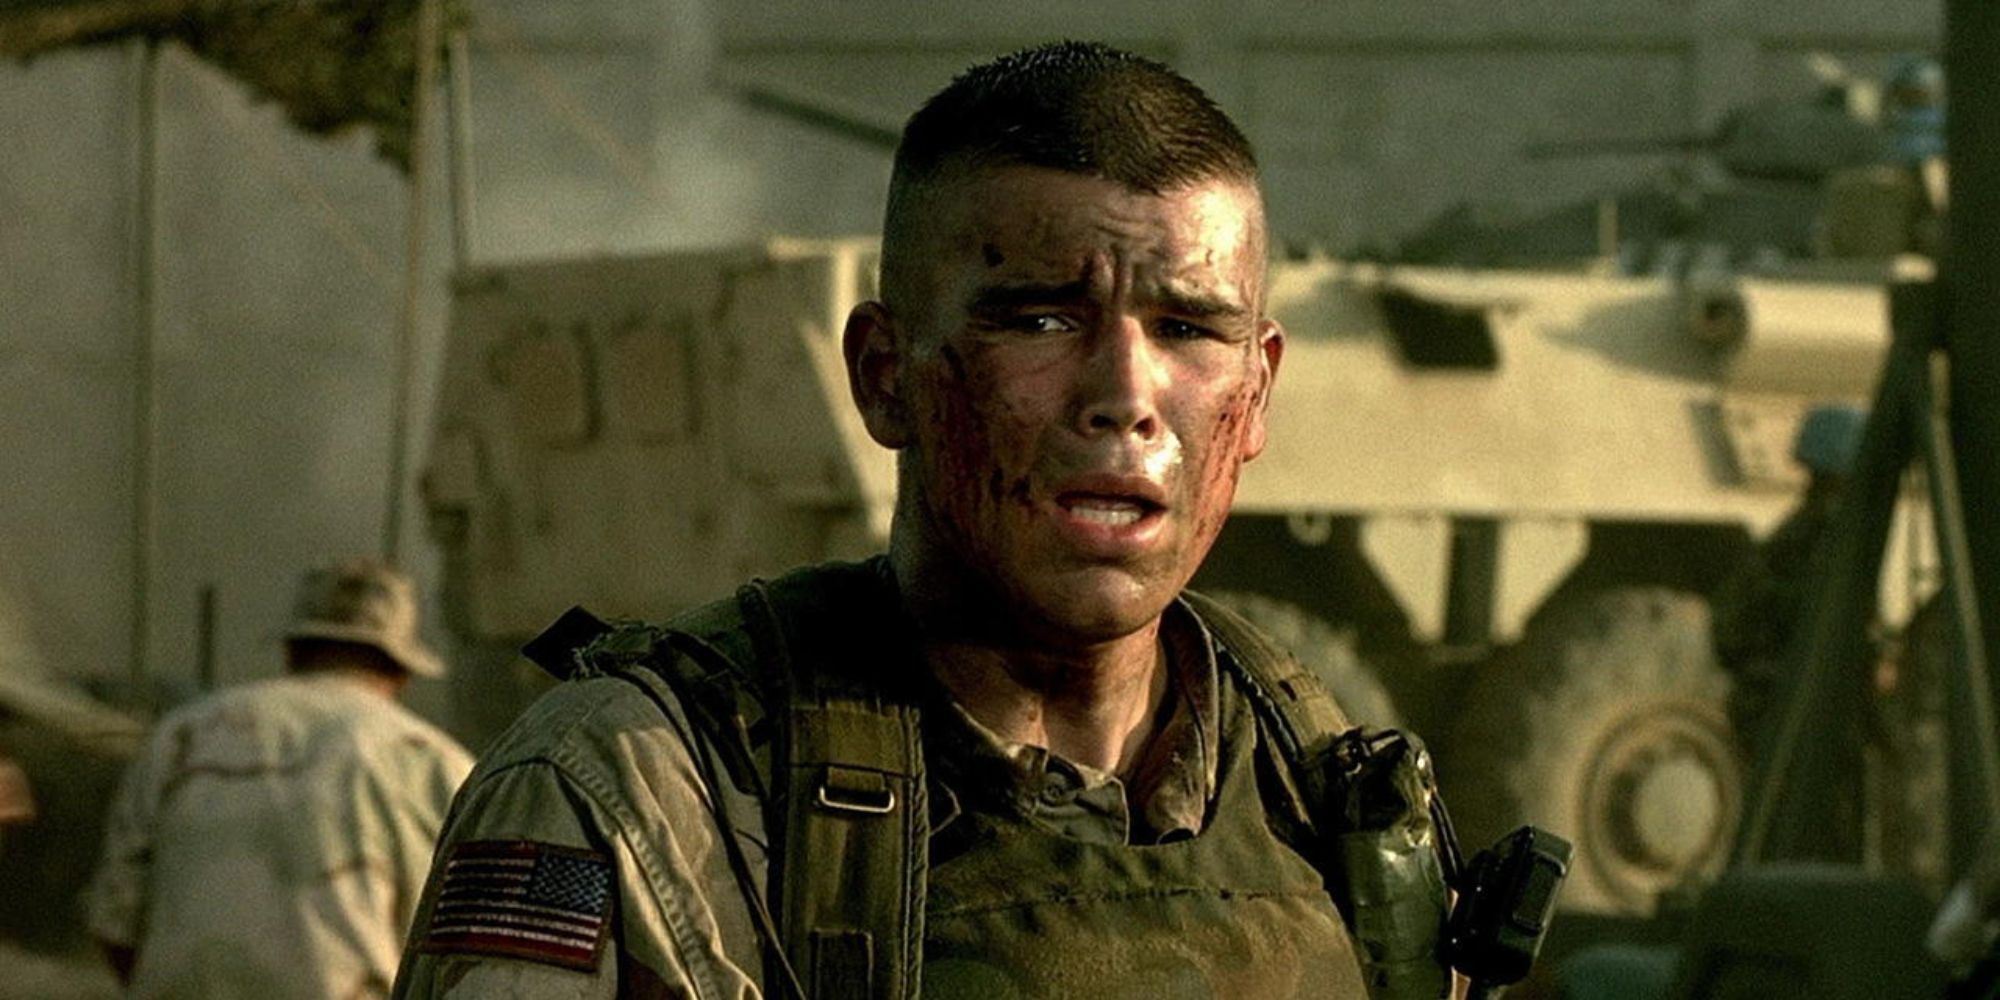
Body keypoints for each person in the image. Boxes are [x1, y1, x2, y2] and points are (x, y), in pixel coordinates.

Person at [394, 41, 1420, 999]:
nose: (1124, 395)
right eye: (1040, 319)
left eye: (1189, 327)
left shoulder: (1317, 778)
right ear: (886, 377)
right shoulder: (641, 792)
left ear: (1256, 394)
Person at [88, 559, 473, 999]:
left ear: (292, 652)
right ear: (401, 670)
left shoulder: (184, 737)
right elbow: (459, 954)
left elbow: (116, 919)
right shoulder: (433, 763)